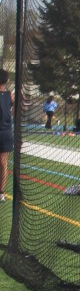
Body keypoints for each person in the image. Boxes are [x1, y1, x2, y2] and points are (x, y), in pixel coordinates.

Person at [0, 70, 12, 202]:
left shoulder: (9, 95)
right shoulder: (10, 95)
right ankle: (1, 192)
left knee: (3, 163)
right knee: (3, 163)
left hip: (4, 132)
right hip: (6, 132)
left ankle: (1, 192)